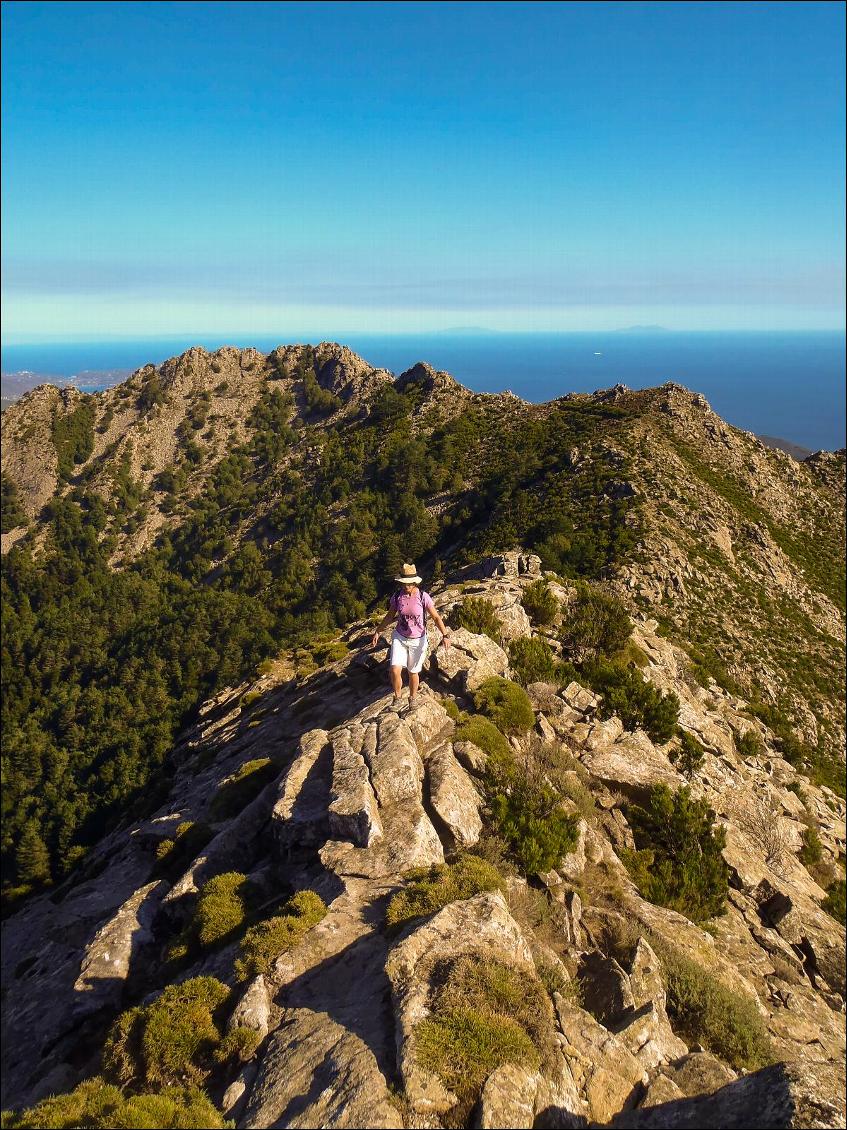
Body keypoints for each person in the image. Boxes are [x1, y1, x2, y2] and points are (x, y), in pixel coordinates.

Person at [370, 563, 451, 711]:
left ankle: (412, 698)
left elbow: (436, 617)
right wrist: (378, 631)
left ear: (414, 582)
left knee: (413, 672)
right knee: (394, 669)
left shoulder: (423, 596)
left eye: (409, 582)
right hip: (400, 637)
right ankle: (397, 698)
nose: (406, 585)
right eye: (404, 582)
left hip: (418, 639)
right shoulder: (397, 597)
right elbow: (389, 616)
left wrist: (445, 635)